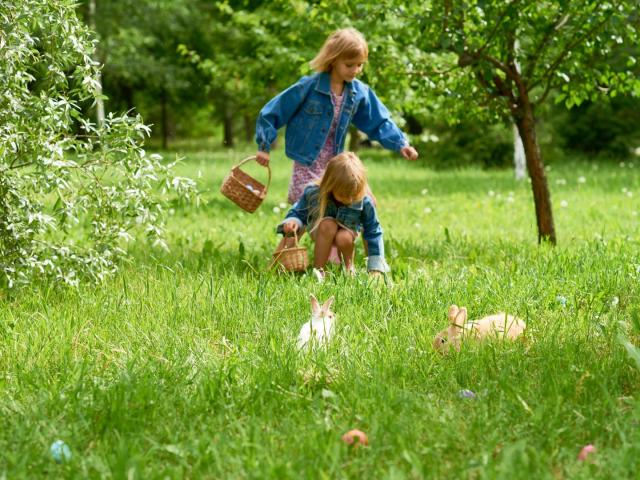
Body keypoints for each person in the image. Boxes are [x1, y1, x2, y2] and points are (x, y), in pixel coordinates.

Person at [255, 27, 418, 206]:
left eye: (360, 64)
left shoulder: (359, 92)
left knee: (364, 203)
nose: (355, 70)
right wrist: (264, 145)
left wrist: (401, 143)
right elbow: (273, 112)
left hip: (337, 163)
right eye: (349, 65)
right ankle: (293, 233)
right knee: (309, 206)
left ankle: (366, 235)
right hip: (308, 162)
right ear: (333, 60)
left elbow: (378, 121)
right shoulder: (308, 87)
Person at [277, 152, 389, 278]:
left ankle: (348, 269)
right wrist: (293, 222)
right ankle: (319, 271)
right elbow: (299, 211)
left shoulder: (364, 201)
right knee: (328, 224)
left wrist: (376, 268)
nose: (349, 200)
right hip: (322, 231)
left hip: (347, 234)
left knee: (344, 236)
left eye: (353, 195)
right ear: (330, 185)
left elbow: (373, 231)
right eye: (343, 195)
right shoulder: (314, 194)